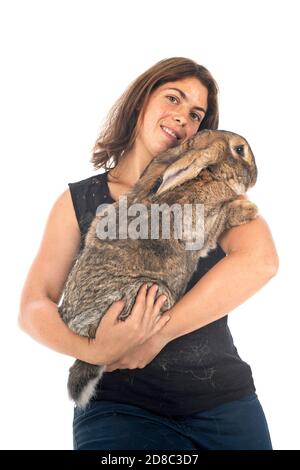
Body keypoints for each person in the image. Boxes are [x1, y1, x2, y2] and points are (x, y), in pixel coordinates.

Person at [18, 57, 279, 450]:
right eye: (173, 98)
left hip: (225, 404)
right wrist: (94, 349)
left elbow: (260, 261)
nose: (182, 118)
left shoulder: (212, 192)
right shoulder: (78, 201)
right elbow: (33, 305)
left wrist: (157, 334)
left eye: (196, 114)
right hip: (120, 409)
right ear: (142, 102)